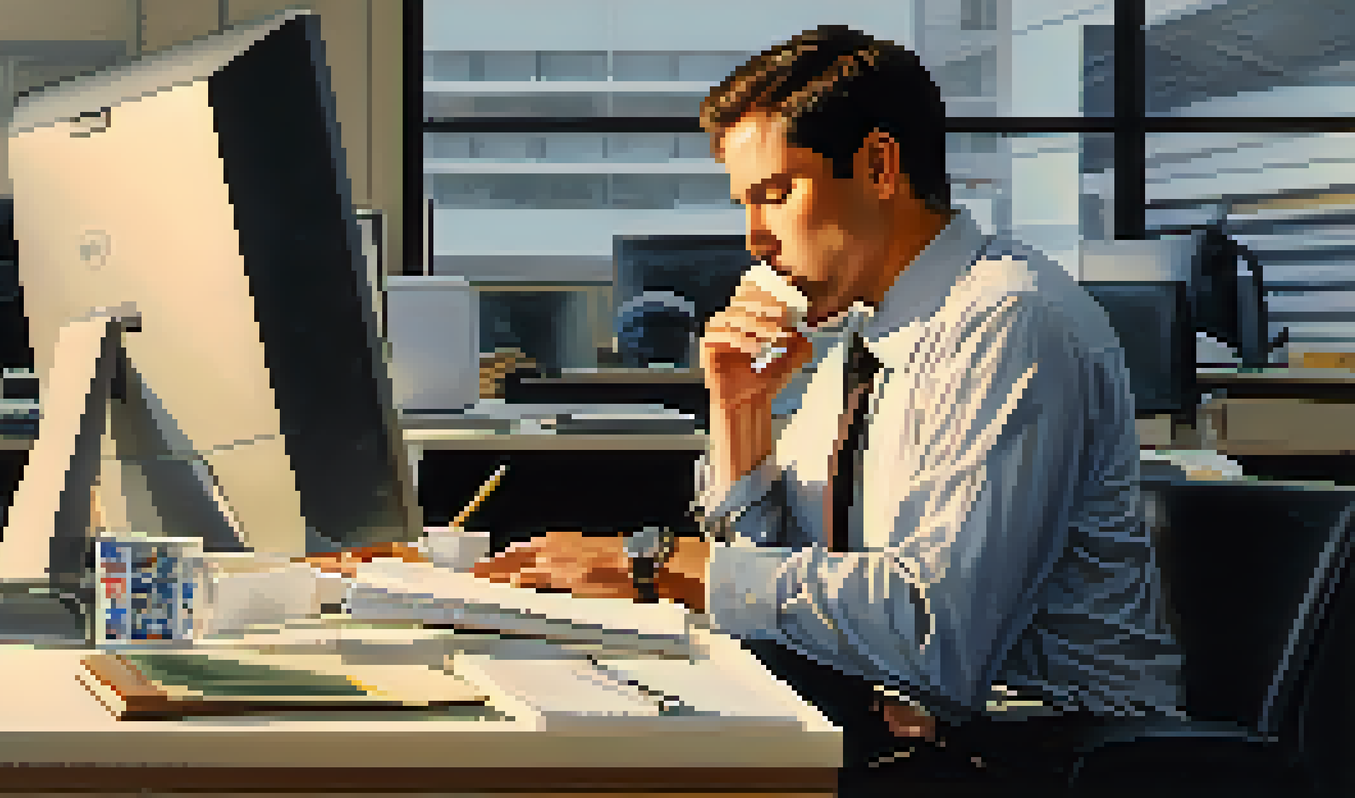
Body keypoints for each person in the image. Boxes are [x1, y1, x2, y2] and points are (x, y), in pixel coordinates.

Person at [311, 23, 1183, 785]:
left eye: (775, 194)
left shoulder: (1006, 323)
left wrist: (659, 568)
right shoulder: (865, 334)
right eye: (745, 205)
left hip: (1036, 751)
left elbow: (934, 632)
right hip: (898, 725)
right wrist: (738, 415)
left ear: (879, 165)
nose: (753, 239)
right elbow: (784, 578)